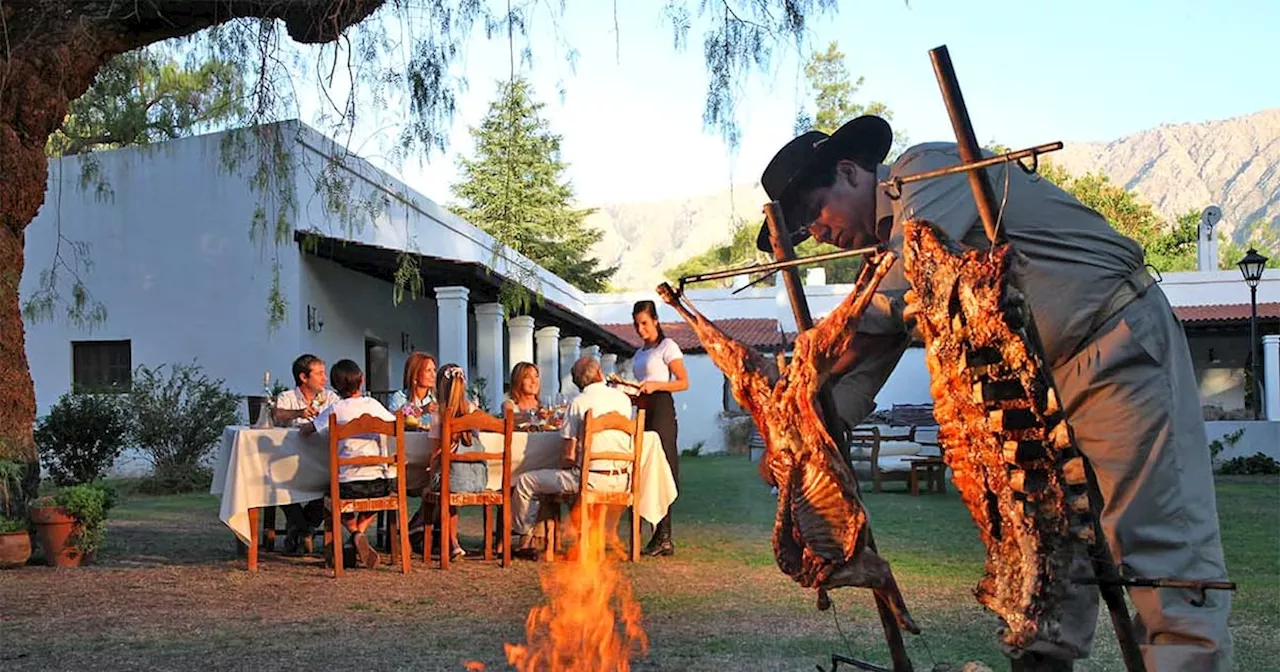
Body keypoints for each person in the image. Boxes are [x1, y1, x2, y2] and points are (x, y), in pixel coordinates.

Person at [756, 115, 1232, 671]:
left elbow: (879, 312)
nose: (816, 234)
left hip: (1112, 349)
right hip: (1035, 406)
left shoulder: (924, 173)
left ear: (848, 172)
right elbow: (860, 373)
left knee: (1159, 545)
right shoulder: (882, 263)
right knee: (1044, 570)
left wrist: (805, 375)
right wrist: (798, 438)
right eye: (802, 232)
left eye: (812, 213)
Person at [509, 356, 634, 560]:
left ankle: (525, 534)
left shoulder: (578, 403)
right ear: (600, 374)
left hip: (589, 480)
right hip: (623, 479)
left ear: (577, 383)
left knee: (525, 481)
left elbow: (567, 454)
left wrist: (567, 465)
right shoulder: (624, 400)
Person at [299, 359, 398, 570]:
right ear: (361, 380)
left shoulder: (335, 409)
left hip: (349, 484)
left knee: (331, 495)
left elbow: (308, 431)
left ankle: (355, 533)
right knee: (379, 498)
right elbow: (394, 424)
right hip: (379, 482)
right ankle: (358, 535)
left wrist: (304, 426)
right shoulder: (373, 405)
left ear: (335, 386)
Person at [626, 300, 689, 557]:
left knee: (663, 466)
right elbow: (643, 384)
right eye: (637, 324)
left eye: (644, 323)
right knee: (643, 467)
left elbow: (683, 382)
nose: (640, 329)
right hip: (643, 407)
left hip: (662, 407)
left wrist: (656, 386)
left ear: (655, 321)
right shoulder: (640, 353)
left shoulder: (668, 346)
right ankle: (650, 532)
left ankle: (664, 536)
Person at [273, 353, 340, 554]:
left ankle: (299, 529)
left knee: (333, 486)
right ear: (304, 377)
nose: (325, 378)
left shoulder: (330, 397)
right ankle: (304, 530)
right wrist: (299, 413)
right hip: (289, 464)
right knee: (278, 483)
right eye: (319, 374)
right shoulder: (287, 397)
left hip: (321, 464)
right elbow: (277, 414)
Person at [423, 363, 489, 560]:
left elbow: (435, 455)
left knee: (437, 484)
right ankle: (452, 541)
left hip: (452, 482)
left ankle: (449, 541)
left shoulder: (439, 414)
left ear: (439, 387)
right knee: (453, 479)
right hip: (478, 482)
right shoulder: (474, 411)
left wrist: (428, 477)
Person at [387, 351, 439, 429]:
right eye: (428, 370)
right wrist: (422, 410)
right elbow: (392, 423)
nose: (434, 375)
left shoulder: (437, 398)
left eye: (434, 370)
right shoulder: (399, 398)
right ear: (415, 375)